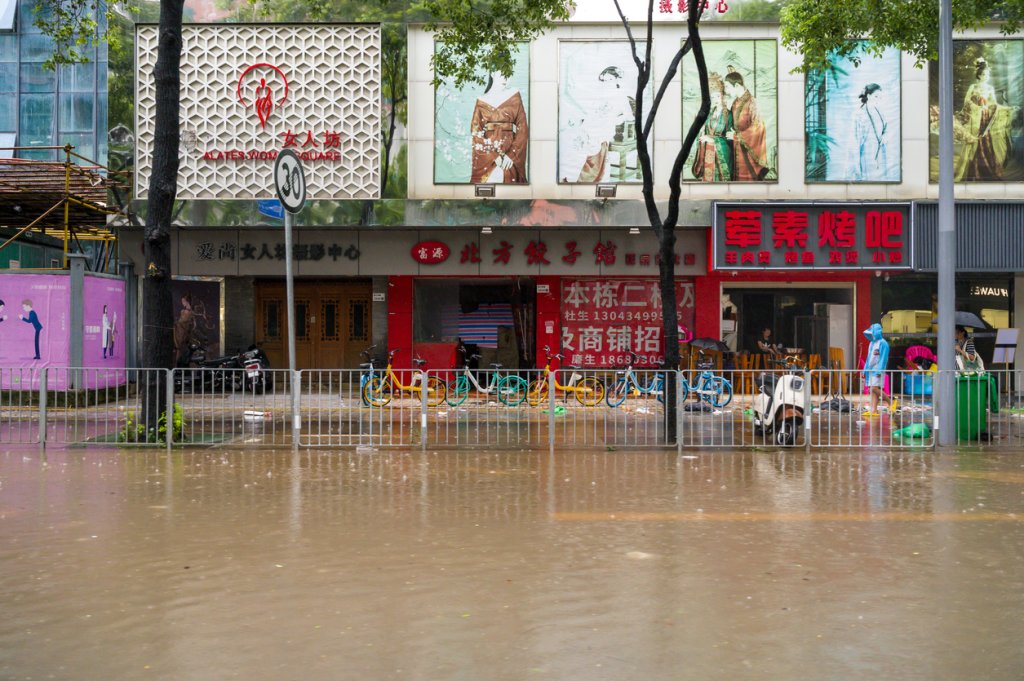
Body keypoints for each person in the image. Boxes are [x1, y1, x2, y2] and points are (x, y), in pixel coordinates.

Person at [955, 57, 1013, 181]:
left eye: (988, 74)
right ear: (979, 75)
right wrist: (977, 107)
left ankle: (987, 170)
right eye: (984, 74)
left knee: (987, 141)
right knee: (976, 140)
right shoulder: (973, 86)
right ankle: (974, 171)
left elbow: (994, 104)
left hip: (985, 117)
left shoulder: (990, 88)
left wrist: (1007, 108)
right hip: (976, 117)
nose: (987, 76)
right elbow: (966, 101)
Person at [576, 65, 637, 183]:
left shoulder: (621, 95)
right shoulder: (601, 95)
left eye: (610, 80)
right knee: (580, 132)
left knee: (594, 138)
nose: (606, 83)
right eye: (604, 80)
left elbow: (629, 116)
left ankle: (590, 171)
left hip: (608, 124)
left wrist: (614, 119)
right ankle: (577, 167)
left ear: (616, 80)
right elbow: (592, 110)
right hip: (595, 121)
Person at [470, 70, 528, 184]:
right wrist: (493, 156)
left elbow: (523, 128)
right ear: (492, 73)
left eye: (508, 75)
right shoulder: (481, 100)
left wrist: (512, 155)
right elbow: (476, 133)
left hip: (510, 151)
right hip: (489, 154)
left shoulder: (514, 95)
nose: (506, 79)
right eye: (502, 75)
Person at [723, 71, 769, 181]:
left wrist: (737, 136)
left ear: (737, 85)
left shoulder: (752, 102)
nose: (726, 91)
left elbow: (758, 127)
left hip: (748, 154)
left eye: (727, 87)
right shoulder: (735, 103)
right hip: (736, 149)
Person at [692, 73, 733, 182]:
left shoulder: (728, 115)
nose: (715, 99)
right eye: (713, 97)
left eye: (718, 96)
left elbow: (731, 140)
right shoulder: (709, 114)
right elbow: (702, 133)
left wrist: (713, 139)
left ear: (723, 96)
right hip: (708, 154)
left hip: (721, 155)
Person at [850, 83, 890, 181]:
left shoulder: (880, 112)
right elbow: (855, 141)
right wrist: (856, 165)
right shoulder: (858, 114)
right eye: (876, 96)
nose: (878, 99)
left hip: (880, 152)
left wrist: (885, 136)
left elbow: (886, 129)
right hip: (866, 154)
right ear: (868, 96)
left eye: (880, 97)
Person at [862, 322, 897, 416]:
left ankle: (891, 402)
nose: (871, 335)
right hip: (870, 370)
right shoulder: (872, 343)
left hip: (878, 370)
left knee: (873, 389)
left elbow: (883, 359)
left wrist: (879, 370)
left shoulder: (883, 343)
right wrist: (865, 370)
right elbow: (869, 358)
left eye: (872, 332)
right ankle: (874, 410)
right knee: (873, 390)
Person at [173, 294, 195, 365]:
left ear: (187, 301)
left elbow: (183, 322)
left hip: (182, 333)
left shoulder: (186, 312)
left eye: (183, 301)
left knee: (180, 349)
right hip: (183, 332)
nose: (182, 303)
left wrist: (176, 323)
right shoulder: (186, 311)